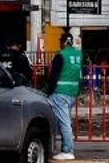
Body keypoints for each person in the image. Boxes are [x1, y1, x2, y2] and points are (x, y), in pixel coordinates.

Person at [44, 31, 82, 161]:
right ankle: (61, 148)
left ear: (63, 42)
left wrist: (48, 92)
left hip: (60, 93)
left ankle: (67, 150)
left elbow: (53, 77)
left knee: (64, 123)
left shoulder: (61, 56)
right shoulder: (79, 55)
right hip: (72, 92)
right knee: (64, 121)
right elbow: (81, 75)